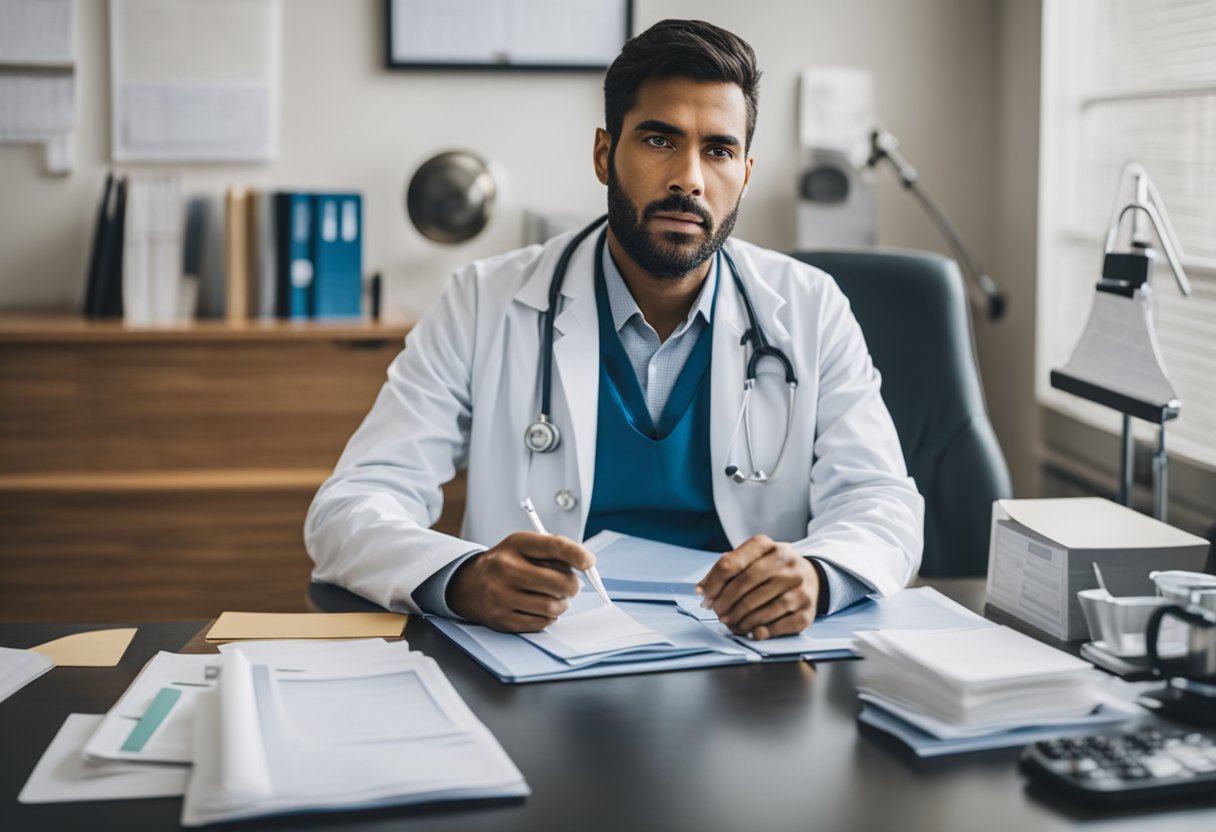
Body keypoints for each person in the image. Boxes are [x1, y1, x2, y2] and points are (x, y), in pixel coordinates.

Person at [306, 19, 923, 641]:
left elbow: (883, 503)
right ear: (605, 155)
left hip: (742, 658)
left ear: (745, 173)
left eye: (718, 150)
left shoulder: (808, 305)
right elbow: (350, 508)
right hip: (540, 656)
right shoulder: (482, 301)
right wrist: (463, 577)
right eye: (660, 140)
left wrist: (816, 576)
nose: (689, 178)